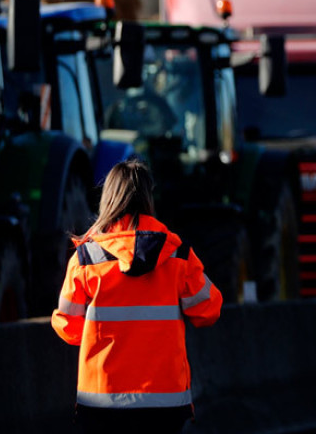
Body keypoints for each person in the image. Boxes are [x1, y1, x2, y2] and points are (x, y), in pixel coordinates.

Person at [52, 159, 222, 434]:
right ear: (148, 198)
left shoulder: (85, 260)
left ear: (108, 199)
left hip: (102, 402)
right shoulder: (178, 254)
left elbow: (70, 329)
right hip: (165, 404)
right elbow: (209, 310)